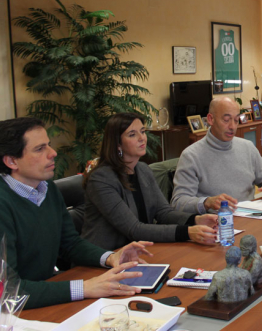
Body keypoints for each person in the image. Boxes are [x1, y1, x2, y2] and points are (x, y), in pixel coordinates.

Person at [0, 117, 152, 309]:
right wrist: (86, 288)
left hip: (45, 297)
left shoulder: (47, 189)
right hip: (15, 313)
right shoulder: (3, 203)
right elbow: (9, 291)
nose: (53, 153)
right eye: (40, 149)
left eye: (49, 145)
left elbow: (69, 244)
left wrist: (110, 257)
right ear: (11, 161)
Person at [82, 113, 218, 251]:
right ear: (117, 144)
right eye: (132, 134)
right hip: (102, 260)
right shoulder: (101, 179)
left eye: (142, 132)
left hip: (138, 251)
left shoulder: (142, 170)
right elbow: (134, 229)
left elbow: (164, 213)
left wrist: (196, 220)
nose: (142, 138)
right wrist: (188, 232)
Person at [171, 97, 262, 214]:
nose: (232, 127)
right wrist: (207, 202)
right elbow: (178, 202)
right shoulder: (191, 156)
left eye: (236, 120)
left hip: (250, 217)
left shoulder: (247, 147)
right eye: (226, 120)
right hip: (217, 224)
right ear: (210, 119)